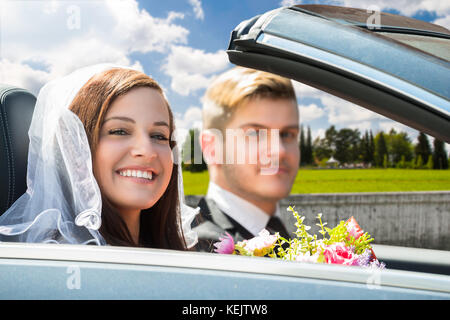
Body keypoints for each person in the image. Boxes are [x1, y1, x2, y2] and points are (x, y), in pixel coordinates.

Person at [0, 64, 197, 249]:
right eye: (119, 131)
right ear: (75, 149)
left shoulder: (183, 252)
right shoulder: (62, 262)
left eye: (159, 136)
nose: (147, 150)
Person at [192, 66, 300, 252]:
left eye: (287, 134)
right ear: (211, 147)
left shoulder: (273, 226)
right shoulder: (203, 248)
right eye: (255, 133)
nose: (280, 151)